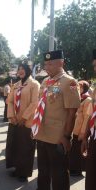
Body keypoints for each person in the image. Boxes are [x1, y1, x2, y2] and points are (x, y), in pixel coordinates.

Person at [33, 50, 80, 190]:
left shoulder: (69, 82)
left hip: (58, 137)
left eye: (51, 64)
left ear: (61, 62)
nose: (47, 67)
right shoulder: (45, 81)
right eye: (45, 64)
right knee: (43, 172)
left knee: (59, 174)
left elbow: (72, 112)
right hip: (42, 134)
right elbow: (40, 107)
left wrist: (66, 136)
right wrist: (35, 128)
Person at [6, 63, 40, 182]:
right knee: (15, 146)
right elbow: (9, 101)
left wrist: (24, 118)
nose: (20, 71)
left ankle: (24, 173)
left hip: (28, 122)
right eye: (18, 69)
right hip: (15, 121)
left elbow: (35, 103)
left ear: (28, 70)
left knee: (26, 148)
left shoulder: (34, 84)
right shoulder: (16, 85)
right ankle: (17, 169)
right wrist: (12, 116)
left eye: (22, 69)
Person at [69, 80, 92, 176]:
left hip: (80, 131)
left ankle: (78, 170)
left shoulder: (88, 100)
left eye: (81, 87)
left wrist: (83, 133)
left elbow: (87, 118)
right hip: (73, 129)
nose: (79, 88)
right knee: (73, 151)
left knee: (79, 152)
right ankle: (72, 168)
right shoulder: (77, 97)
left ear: (85, 88)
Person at [81, 49, 96, 190]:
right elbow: (92, 114)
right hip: (94, 140)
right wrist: (85, 136)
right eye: (95, 66)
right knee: (91, 178)